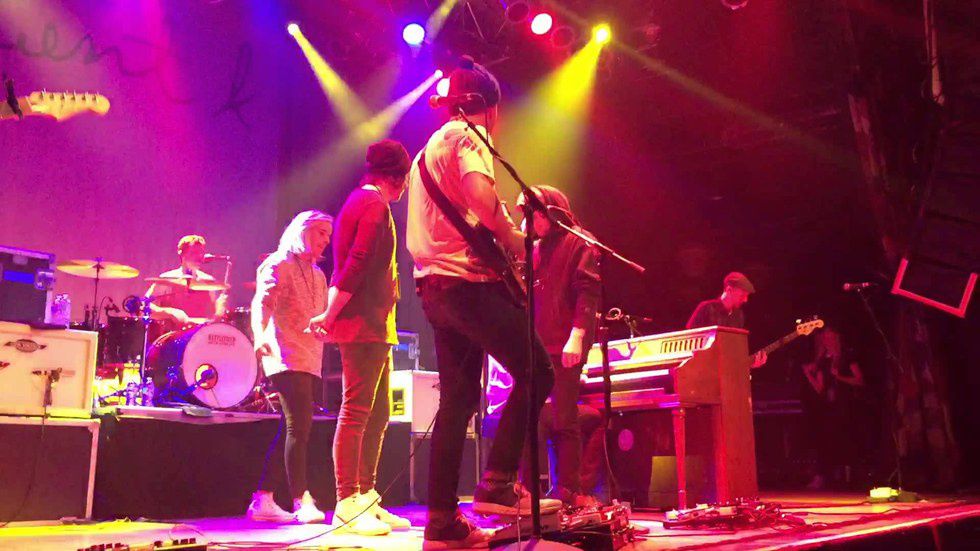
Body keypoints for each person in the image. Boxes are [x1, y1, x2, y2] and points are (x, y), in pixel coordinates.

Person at [406, 56, 559, 549]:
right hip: (467, 286)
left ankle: (441, 524)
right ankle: (497, 484)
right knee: (538, 371)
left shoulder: (425, 151)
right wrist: (516, 241)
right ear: (488, 107)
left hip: (434, 289)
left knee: (457, 402)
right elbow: (481, 200)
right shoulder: (468, 138)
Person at [308, 140, 413, 535]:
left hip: (376, 325)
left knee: (379, 413)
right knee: (356, 412)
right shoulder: (372, 204)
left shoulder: (365, 201)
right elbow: (355, 263)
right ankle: (347, 501)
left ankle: (365, 495)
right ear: (397, 177)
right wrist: (330, 313)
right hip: (362, 325)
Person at [246, 210, 334, 523]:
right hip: (283, 353)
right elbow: (262, 303)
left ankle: (263, 498)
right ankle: (301, 500)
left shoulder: (319, 274)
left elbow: (319, 316)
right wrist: (259, 336)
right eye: (321, 232)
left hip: (310, 356)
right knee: (300, 425)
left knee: (291, 426)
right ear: (302, 231)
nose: (326, 240)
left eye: (328, 234)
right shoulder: (279, 263)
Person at [517, 186, 602, 507]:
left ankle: (570, 490)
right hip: (537, 344)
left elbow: (587, 292)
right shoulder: (536, 248)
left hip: (564, 342)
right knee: (528, 419)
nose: (532, 222)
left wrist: (578, 335)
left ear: (551, 212)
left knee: (566, 418)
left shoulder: (578, 242)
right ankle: (527, 491)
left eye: (535, 215)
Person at [801, 325, 866, 489]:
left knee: (847, 440)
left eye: (830, 337)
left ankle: (850, 478)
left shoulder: (846, 357)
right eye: (825, 338)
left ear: (836, 338)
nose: (827, 341)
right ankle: (827, 477)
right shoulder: (823, 361)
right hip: (828, 407)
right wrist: (808, 374)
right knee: (827, 441)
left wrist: (840, 377)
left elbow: (859, 380)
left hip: (846, 405)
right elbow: (820, 388)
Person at [144, 234, 228, 331]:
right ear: (182, 253)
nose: (199, 256)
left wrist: (220, 310)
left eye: (201, 252)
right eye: (194, 252)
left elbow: (214, 317)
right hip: (172, 335)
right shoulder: (168, 279)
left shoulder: (209, 281)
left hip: (200, 335)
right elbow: (144, 305)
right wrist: (170, 312)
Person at [686, 271, 767, 368]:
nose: (745, 300)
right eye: (742, 295)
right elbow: (689, 340)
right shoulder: (706, 308)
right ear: (729, 290)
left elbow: (735, 351)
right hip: (704, 368)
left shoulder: (738, 316)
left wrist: (750, 364)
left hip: (726, 371)